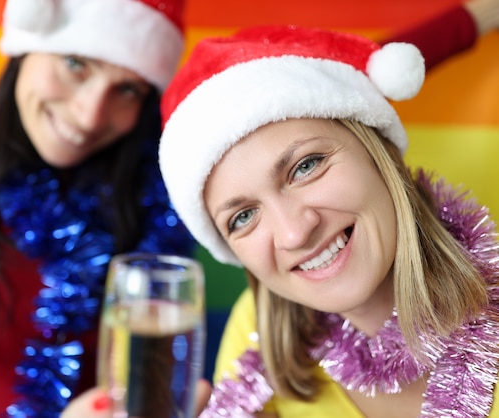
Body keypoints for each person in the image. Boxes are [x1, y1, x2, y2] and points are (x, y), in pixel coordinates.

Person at [60, 0, 499, 417]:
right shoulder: (254, 331)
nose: (294, 233)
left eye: (306, 167)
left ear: (378, 152)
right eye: (243, 217)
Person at [0, 0, 195, 417]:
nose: (89, 114)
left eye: (127, 89)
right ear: (25, 43)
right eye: (76, 62)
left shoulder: (172, 187)